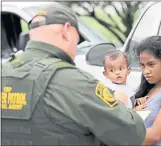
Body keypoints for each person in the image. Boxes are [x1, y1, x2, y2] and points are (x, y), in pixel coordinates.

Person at [1, 3, 146, 145]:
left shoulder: (4, 72)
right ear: (67, 30)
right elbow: (133, 134)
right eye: (77, 40)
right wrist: (120, 103)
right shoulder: (74, 82)